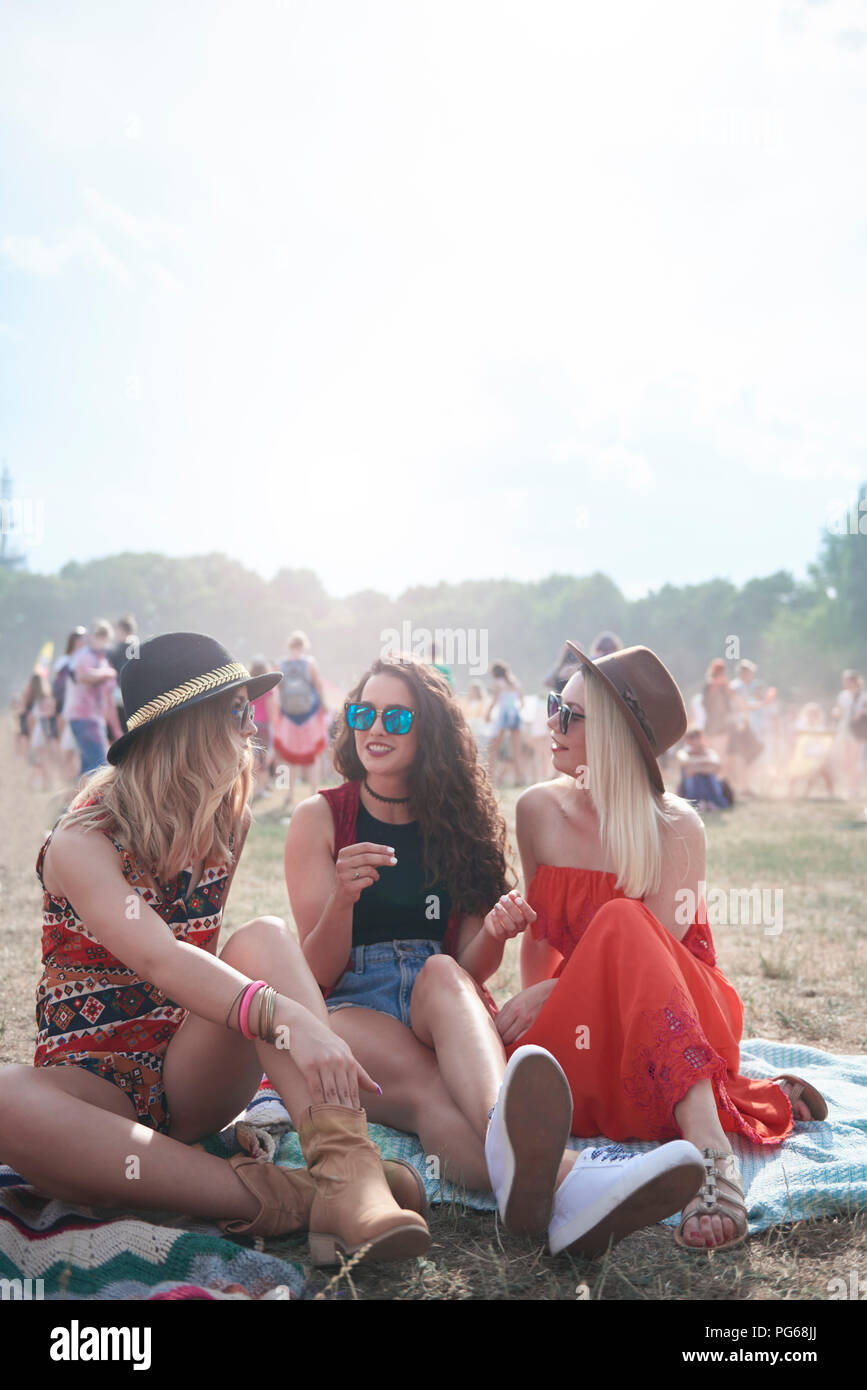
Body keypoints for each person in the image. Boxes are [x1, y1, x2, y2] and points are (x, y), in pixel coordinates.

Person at [0, 633, 431, 1267]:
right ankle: (301, 1200)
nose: (253, 729)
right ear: (186, 730)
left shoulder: (228, 820)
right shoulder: (80, 839)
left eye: (249, 712)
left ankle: (351, 1171)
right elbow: (160, 960)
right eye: (235, 713)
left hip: (189, 1076)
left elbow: (204, 967)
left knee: (263, 937)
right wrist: (280, 1014)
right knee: (7, 1099)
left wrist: (273, 1009)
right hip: (95, 1094)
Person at [283, 654, 708, 1259]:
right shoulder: (320, 818)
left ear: (429, 732)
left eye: (396, 718)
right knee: (432, 1093)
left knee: (440, 970)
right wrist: (344, 901)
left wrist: (498, 932)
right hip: (354, 1000)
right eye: (362, 713)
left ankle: (516, 1147)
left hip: (443, 992)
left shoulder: (459, 822)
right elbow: (315, 975)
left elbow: (470, 967)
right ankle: (562, 1180)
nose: (375, 729)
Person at [498, 642, 827, 1253]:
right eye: (553, 706)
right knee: (517, 1062)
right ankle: (732, 1106)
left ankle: (711, 1150)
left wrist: (552, 994)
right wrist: (535, 1014)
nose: (550, 724)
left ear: (618, 736)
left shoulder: (676, 826)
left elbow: (654, 951)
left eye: (569, 715)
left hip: (683, 1011)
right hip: (590, 1023)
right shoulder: (536, 809)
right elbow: (541, 940)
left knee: (625, 920)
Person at [272, 631, 331, 808]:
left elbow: (278, 691)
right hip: (310, 715)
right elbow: (318, 686)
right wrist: (324, 705)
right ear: (304, 646)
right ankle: (314, 792)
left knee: (291, 757)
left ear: (289, 645)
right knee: (313, 754)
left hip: (289, 716)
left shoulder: (280, 664)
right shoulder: (309, 663)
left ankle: (290, 794)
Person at [65, 620, 123, 778]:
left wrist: (116, 729)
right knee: (100, 767)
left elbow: (108, 700)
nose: (100, 640)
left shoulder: (103, 661)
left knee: (89, 768)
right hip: (83, 718)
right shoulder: (83, 656)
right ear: (91, 636)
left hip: (95, 719)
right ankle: (87, 802)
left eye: (104, 637)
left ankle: (78, 802)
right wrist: (109, 673)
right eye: (98, 635)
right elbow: (83, 676)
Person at [52, 627, 88, 781]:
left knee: (80, 750)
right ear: (74, 641)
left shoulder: (87, 659)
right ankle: (67, 783)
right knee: (66, 749)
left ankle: (75, 783)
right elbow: (58, 688)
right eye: (81, 638)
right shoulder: (64, 661)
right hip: (65, 710)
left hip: (81, 710)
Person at [486, 660, 525, 786]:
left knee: (494, 747)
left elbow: (494, 701)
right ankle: (519, 778)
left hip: (504, 716)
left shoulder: (498, 683)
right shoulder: (515, 683)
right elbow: (522, 703)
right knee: (516, 749)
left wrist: (488, 714)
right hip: (515, 715)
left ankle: (490, 777)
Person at [676, 727, 732, 811]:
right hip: (690, 789)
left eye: (695, 737)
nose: (693, 741)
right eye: (690, 738)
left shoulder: (709, 752)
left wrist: (696, 767)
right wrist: (705, 765)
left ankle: (709, 801)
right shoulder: (683, 752)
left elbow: (716, 763)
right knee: (696, 777)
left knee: (708, 776)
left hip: (709, 785)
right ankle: (701, 802)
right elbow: (684, 761)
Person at [787, 704, 835, 799]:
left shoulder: (820, 727)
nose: (813, 716)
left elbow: (824, 741)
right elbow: (795, 737)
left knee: (824, 772)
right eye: (811, 714)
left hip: (816, 755)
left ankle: (829, 793)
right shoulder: (801, 724)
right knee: (796, 773)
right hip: (803, 755)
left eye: (815, 714)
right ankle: (790, 792)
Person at [832, 670, 865, 802]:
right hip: (844, 729)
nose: (845, 683)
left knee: (855, 760)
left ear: (855, 681)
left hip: (857, 731)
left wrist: (862, 713)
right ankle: (849, 787)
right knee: (846, 761)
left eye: (848, 680)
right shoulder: (843, 695)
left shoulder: (863, 696)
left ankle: (854, 788)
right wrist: (836, 712)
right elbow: (839, 710)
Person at [701, 658, 733, 774]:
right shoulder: (708, 686)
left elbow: (729, 704)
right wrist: (714, 685)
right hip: (711, 726)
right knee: (710, 753)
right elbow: (706, 704)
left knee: (722, 755)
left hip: (722, 726)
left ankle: (720, 780)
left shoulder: (725, 686)